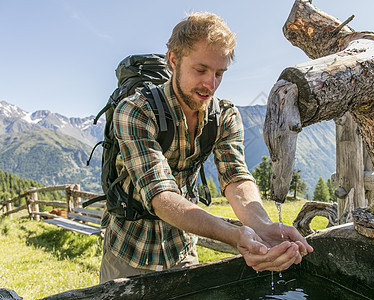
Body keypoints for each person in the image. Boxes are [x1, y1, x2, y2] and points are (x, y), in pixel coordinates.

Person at [99, 11, 313, 284]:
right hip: (130, 252)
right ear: (173, 60)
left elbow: (236, 178)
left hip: (183, 249)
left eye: (219, 73)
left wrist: (262, 225)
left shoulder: (224, 116)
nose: (210, 84)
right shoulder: (136, 111)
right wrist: (235, 235)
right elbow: (161, 197)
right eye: (200, 70)